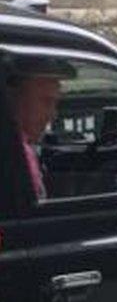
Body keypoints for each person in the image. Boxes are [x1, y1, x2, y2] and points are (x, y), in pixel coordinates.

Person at [4, 62, 74, 200]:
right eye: (46, 102)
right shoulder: (14, 152)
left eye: (55, 103)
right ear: (14, 97)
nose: (53, 115)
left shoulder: (20, 147)